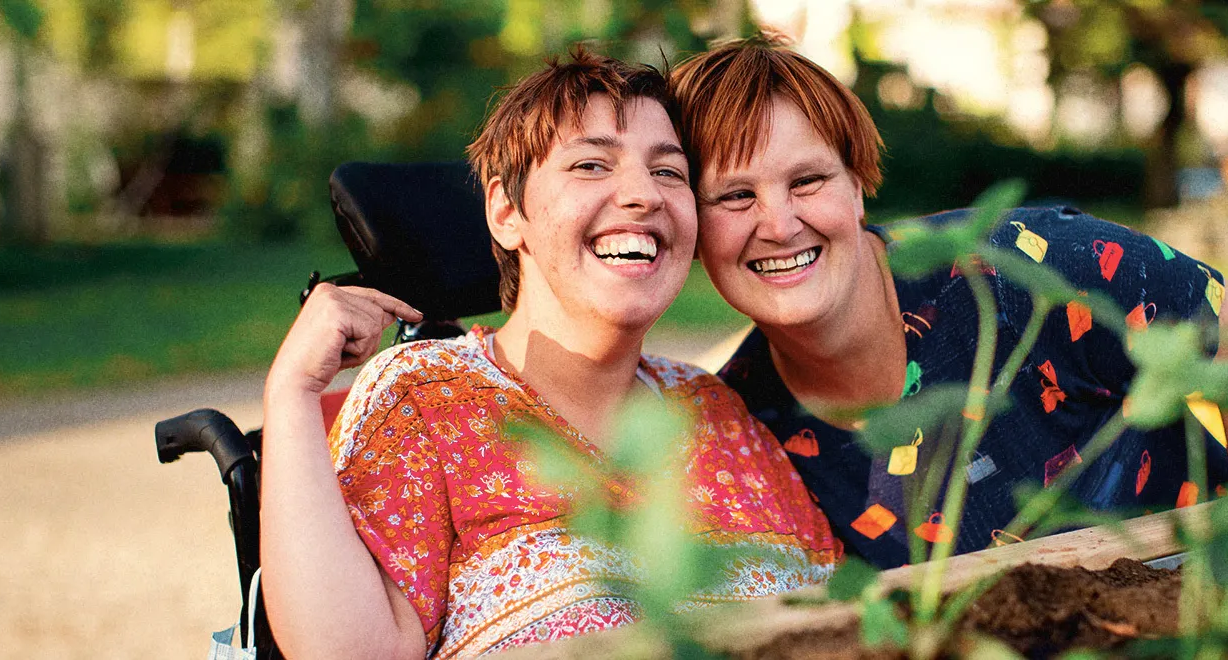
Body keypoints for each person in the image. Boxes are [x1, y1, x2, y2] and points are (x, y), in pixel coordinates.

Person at [258, 46, 841, 660]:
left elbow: (837, 625)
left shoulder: (717, 411)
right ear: (507, 212)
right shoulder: (425, 399)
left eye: (669, 172)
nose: (643, 194)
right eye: (592, 165)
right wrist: (292, 391)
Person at [667, 37, 1228, 569]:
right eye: (734, 196)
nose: (779, 224)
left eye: (807, 181)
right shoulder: (742, 434)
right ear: (693, 228)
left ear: (858, 184)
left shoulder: (1019, 265)